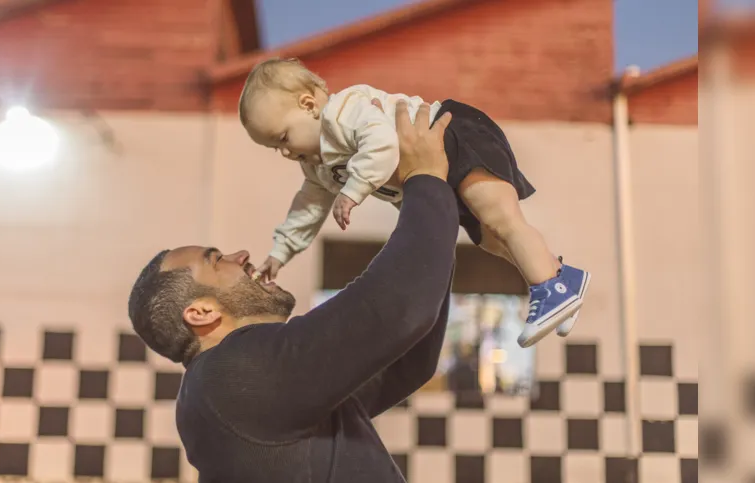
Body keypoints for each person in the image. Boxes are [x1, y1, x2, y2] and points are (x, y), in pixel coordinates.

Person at [128, 101, 455, 483]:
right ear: (201, 312)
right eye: (217, 261)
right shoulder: (229, 374)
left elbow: (407, 359)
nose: (241, 256)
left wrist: (432, 210)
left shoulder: (254, 388)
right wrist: (425, 183)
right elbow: (394, 309)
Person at [240, 57, 590, 347]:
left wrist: (353, 190)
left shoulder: (344, 111)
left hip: (452, 134)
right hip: (436, 172)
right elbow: (307, 208)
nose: (285, 152)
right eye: (275, 148)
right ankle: (562, 277)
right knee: (490, 240)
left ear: (309, 104)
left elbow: (381, 143)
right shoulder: (317, 166)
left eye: (284, 137)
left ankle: (551, 289)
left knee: (502, 219)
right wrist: (279, 253)